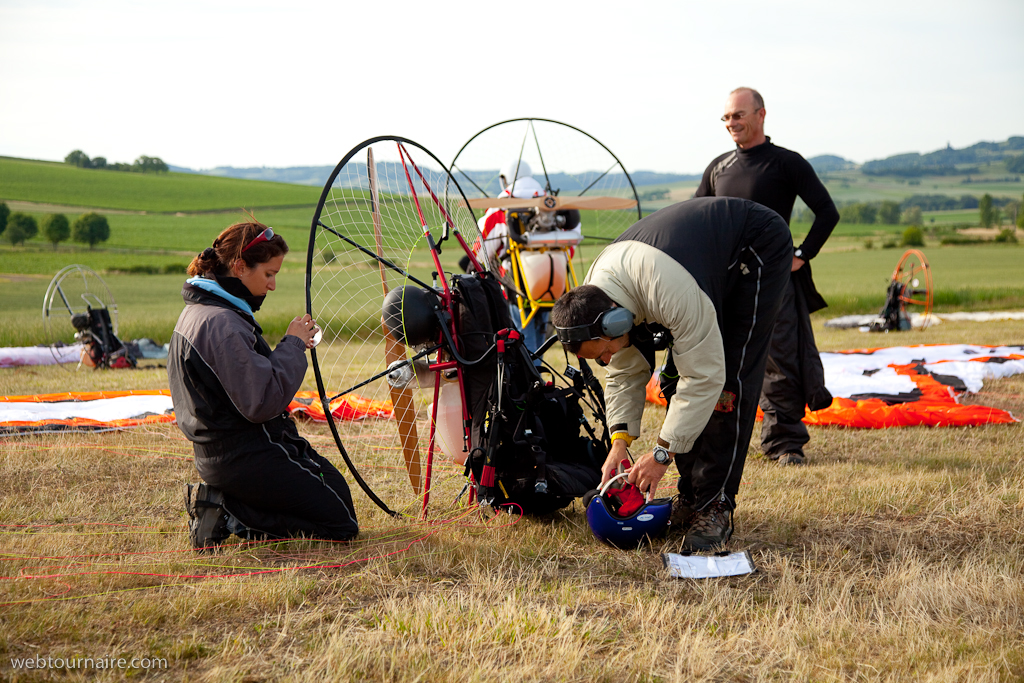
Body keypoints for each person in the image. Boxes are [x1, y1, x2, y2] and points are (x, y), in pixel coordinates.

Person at [551, 197, 791, 550]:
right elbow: (622, 373)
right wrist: (620, 443)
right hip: (696, 266)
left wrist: (662, 454)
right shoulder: (596, 302)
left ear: (616, 323)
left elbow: (705, 376)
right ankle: (693, 499)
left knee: (727, 384)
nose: (605, 360)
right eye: (597, 359)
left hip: (755, 246)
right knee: (673, 381)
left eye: (603, 351)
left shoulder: (667, 290)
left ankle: (716, 507)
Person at [168, 219, 359, 550]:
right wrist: (293, 345)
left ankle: (228, 502)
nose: (271, 285)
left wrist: (291, 345)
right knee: (340, 524)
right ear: (240, 267)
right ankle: (226, 512)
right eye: (268, 274)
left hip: (229, 453)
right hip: (245, 454)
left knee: (336, 492)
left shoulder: (206, 312)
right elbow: (262, 400)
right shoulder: (221, 323)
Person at [695, 87, 839, 466]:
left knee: (781, 362)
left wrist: (801, 254)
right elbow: (696, 219)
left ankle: (784, 443)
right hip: (728, 283)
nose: (731, 123)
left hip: (774, 281)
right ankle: (720, 439)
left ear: (760, 115)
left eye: (738, 115)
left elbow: (827, 212)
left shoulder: (785, 163)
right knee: (721, 361)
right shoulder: (718, 168)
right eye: (726, 117)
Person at [475, 160, 582, 356]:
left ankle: (531, 379)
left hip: (516, 286)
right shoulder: (553, 204)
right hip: (555, 280)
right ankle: (537, 373)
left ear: (505, 179)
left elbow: (480, 252)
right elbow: (573, 239)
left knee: (522, 339)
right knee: (539, 336)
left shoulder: (500, 209)